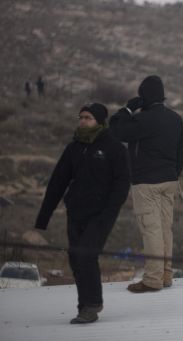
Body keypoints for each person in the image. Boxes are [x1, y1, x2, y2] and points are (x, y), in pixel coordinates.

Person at [35, 103, 130, 324]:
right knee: (76, 258)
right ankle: (85, 305)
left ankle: (91, 306)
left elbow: (122, 183)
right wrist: (43, 217)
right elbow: (58, 182)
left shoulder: (114, 147)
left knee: (86, 255)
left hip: (101, 215)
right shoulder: (74, 147)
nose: (83, 121)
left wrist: (110, 211)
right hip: (76, 212)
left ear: (99, 120)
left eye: (88, 118)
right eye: (81, 117)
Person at [109, 75, 183, 293]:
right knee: (165, 230)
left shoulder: (143, 120)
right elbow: (182, 152)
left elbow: (115, 130)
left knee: (151, 230)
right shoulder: (175, 119)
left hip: (146, 182)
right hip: (169, 181)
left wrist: (126, 110)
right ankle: (165, 275)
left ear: (143, 97)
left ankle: (152, 279)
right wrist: (173, 173)